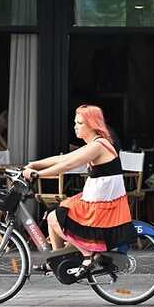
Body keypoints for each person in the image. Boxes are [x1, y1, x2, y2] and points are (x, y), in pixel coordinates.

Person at [23, 104, 136, 276]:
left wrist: (37, 175)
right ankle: (57, 260)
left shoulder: (98, 146)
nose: (75, 126)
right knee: (53, 212)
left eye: (80, 123)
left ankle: (88, 256)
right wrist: (34, 164)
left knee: (55, 218)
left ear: (92, 125)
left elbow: (68, 165)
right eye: (76, 122)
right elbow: (64, 158)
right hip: (96, 198)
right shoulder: (95, 143)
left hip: (103, 204)